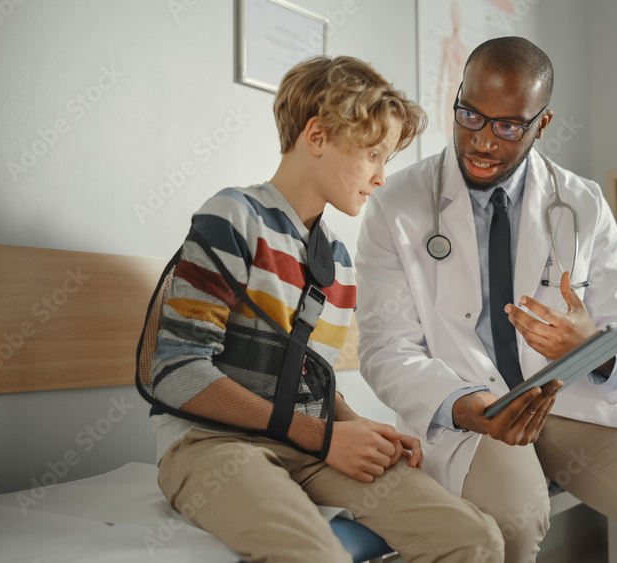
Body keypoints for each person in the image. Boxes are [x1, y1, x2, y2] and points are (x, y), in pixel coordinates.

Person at [356, 37, 617, 562]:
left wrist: (595, 347)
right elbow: (386, 349)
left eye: (508, 126)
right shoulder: (395, 205)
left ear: (542, 123)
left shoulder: (580, 203)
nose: (483, 141)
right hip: (470, 412)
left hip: (568, 402)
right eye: (470, 115)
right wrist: (467, 408)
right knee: (516, 524)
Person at [141, 55, 504, 563]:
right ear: (316, 136)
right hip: (213, 446)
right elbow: (175, 374)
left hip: (303, 444)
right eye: (373, 154)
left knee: (476, 538)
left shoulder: (337, 260)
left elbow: (307, 384)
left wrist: (360, 428)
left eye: (387, 160)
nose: (381, 177)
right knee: (318, 555)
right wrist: (324, 436)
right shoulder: (234, 217)